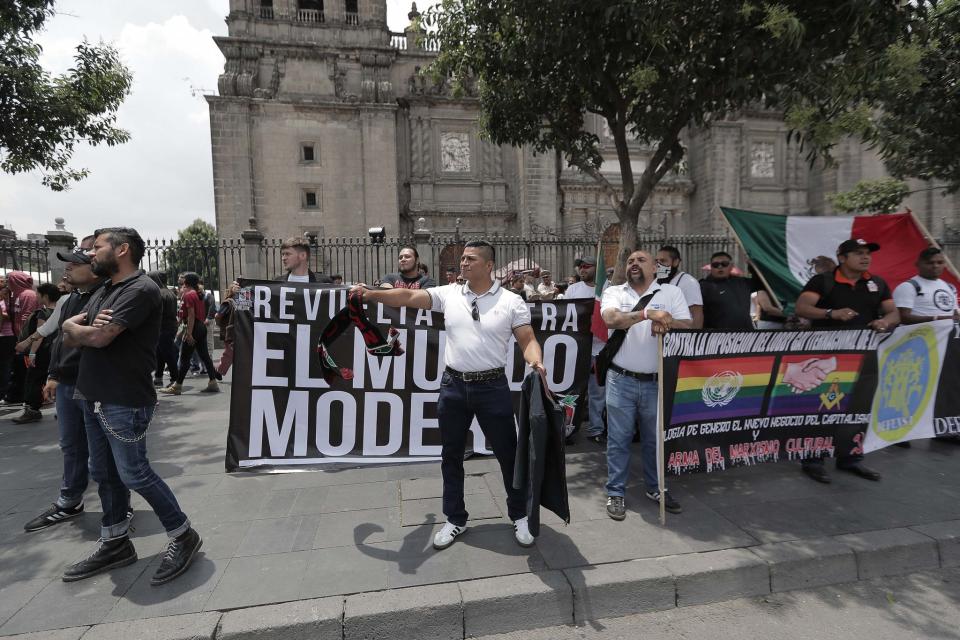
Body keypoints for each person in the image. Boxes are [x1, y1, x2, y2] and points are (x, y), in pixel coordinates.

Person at [352, 240, 546, 550]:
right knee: (451, 456)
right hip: (453, 387)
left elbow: (528, 339)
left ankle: (519, 514)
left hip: (492, 388)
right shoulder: (449, 293)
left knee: (508, 454)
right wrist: (371, 294)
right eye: (463, 259)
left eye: (470, 259)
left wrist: (536, 361)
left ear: (488, 265)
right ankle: (455, 519)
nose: (464, 264)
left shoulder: (512, 301)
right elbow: (408, 296)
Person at [60, 227, 201, 585]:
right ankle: (115, 542)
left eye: (98, 247)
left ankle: (183, 535)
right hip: (92, 392)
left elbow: (99, 336)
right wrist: (71, 325)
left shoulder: (140, 289)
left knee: (134, 473)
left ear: (122, 250)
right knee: (104, 474)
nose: (91, 253)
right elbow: (75, 330)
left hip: (122, 397)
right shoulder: (105, 289)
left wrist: (82, 330)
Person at [795, 238, 900, 483]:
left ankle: (851, 457)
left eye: (868, 253)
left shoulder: (876, 283)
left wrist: (886, 322)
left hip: (864, 357)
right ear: (842, 258)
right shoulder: (824, 281)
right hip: (827, 357)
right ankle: (813, 459)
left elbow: (893, 312)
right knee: (821, 408)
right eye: (858, 253)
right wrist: (831, 313)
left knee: (857, 408)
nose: (866, 258)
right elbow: (802, 307)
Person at [23, 240, 110, 532]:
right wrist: (53, 374)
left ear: (95, 270)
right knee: (71, 444)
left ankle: (116, 508)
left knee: (103, 452)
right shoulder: (71, 298)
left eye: (76, 263)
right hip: (67, 382)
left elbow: (89, 342)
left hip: (93, 384)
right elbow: (60, 340)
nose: (68, 268)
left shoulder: (106, 296)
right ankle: (70, 499)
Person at [601, 250, 692, 519]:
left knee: (655, 441)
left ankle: (656, 488)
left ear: (655, 267)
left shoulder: (672, 294)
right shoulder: (615, 292)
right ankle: (616, 492)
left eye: (641, 260)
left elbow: (689, 325)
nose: (634, 264)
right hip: (620, 379)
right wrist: (648, 314)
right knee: (618, 440)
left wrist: (668, 322)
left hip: (657, 381)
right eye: (630, 261)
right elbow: (611, 320)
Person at [565, 256, 607, 445]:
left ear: (596, 269)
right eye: (580, 267)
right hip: (577, 349)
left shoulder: (607, 289)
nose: (582, 270)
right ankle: (568, 428)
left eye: (587, 267)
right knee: (573, 391)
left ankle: (596, 429)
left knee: (598, 392)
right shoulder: (573, 289)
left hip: (600, 349)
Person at [160, 272, 221, 395]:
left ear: (186, 282)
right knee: (204, 355)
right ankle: (213, 381)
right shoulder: (198, 294)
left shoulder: (189, 295)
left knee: (184, 358)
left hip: (194, 327)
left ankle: (177, 385)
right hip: (200, 327)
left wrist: (189, 333)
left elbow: (191, 315)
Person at [12, 283, 61, 424]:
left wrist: (32, 353)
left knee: (34, 379)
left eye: (37, 293)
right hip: (54, 350)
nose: (36, 296)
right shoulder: (60, 310)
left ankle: (32, 410)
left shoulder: (43, 313)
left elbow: (39, 335)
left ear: (45, 296)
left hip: (42, 352)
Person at [894, 247, 959, 324]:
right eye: (930, 263)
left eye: (940, 262)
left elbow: (955, 314)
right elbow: (902, 318)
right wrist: (937, 319)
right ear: (918, 264)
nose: (936, 266)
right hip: (919, 334)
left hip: (948, 334)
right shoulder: (907, 287)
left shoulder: (950, 287)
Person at [4, 271, 39, 405]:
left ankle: (26, 396)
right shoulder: (16, 294)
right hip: (19, 337)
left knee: (25, 367)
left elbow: (27, 317)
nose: (7, 283)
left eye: (9, 280)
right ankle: (17, 394)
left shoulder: (28, 294)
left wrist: (23, 338)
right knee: (18, 368)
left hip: (26, 338)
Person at [699, 252, 755, 330]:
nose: (720, 267)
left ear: (731, 266)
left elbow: (763, 281)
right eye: (715, 265)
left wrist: (752, 264)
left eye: (724, 264)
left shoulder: (742, 282)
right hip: (719, 337)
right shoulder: (703, 286)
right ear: (711, 267)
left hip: (746, 335)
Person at [656, 245, 704, 328]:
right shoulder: (658, 281)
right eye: (657, 261)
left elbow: (697, 314)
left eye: (663, 261)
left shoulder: (689, 282)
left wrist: (694, 337)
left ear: (676, 262)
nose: (658, 265)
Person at [148, 271, 179, 387]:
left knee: (167, 353)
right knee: (160, 353)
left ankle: (175, 379)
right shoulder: (170, 293)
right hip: (169, 326)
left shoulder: (158, 294)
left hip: (163, 327)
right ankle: (159, 377)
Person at [215, 281, 240, 376]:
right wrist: (221, 325)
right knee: (229, 352)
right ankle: (219, 371)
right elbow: (218, 315)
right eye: (236, 286)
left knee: (235, 353)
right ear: (231, 289)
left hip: (236, 331)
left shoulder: (239, 301)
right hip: (229, 331)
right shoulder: (228, 302)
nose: (238, 288)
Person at [0, 276, 15, 401]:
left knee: (6, 364)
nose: (5, 295)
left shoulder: (11, 302)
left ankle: (4, 391)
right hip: (3, 336)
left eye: (7, 293)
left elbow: (12, 317)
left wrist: (5, 315)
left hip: (7, 336)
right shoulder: (1, 303)